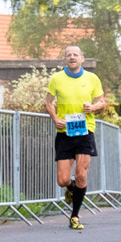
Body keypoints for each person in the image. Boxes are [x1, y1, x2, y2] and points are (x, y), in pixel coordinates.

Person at [44, 45, 107, 230]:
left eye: (75, 54)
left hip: (85, 131)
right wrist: (55, 119)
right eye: (68, 55)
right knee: (63, 180)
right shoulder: (56, 78)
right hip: (65, 132)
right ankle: (71, 190)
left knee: (81, 175)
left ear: (82, 59)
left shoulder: (92, 78)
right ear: (65, 60)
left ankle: (75, 216)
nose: (72, 57)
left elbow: (102, 101)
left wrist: (93, 108)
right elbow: (48, 102)